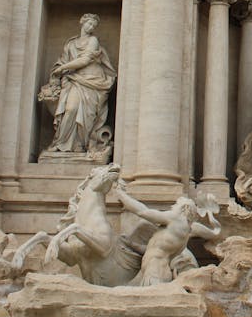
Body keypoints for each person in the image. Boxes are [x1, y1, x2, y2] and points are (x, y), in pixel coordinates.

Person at [115, 183, 221, 286]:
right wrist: (131, 245)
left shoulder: (175, 219)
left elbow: (143, 212)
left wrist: (121, 194)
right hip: (161, 270)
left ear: (184, 208)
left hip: (155, 271)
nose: (172, 207)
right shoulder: (189, 229)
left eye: (176, 205)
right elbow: (214, 233)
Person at [40, 14, 116, 155]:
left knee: (86, 114)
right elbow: (62, 61)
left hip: (92, 81)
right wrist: (59, 71)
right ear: (82, 23)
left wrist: (63, 69)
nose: (91, 27)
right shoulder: (71, 44)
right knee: (71, 109)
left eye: (93, 25)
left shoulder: (93, 40)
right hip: (74, 79)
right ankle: (61, 143)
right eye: (89, 24)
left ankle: (80, 145)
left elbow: (85, 60)